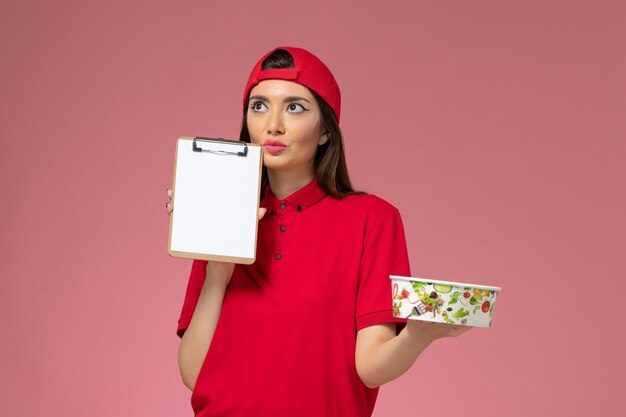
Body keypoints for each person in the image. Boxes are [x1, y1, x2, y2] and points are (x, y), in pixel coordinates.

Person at [166, 46, 470, 417]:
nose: (272, 124)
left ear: (326, 130)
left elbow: (370, 367)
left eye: (294, 107)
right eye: (259, 106)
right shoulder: (223, 214)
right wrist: (218, 270)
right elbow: (195, 375)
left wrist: (417, 335)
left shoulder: (373, 219)